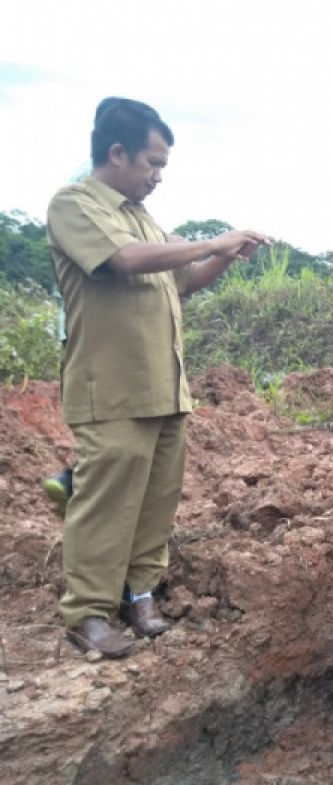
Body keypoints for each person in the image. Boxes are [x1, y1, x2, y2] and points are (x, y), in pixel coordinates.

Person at [47, 97, 268, 659]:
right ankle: (89, 613)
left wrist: (223, 255)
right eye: (152, 163)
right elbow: (123, 260)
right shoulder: (75, 205)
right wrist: (210, 240)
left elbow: (181, 282)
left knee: (155, 502)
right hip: (113, 390)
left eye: (163, 165)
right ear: (116, 153)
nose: (157, 176)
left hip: (165, 390)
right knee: (105, 503)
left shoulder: (144, 218)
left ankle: (139, 595)